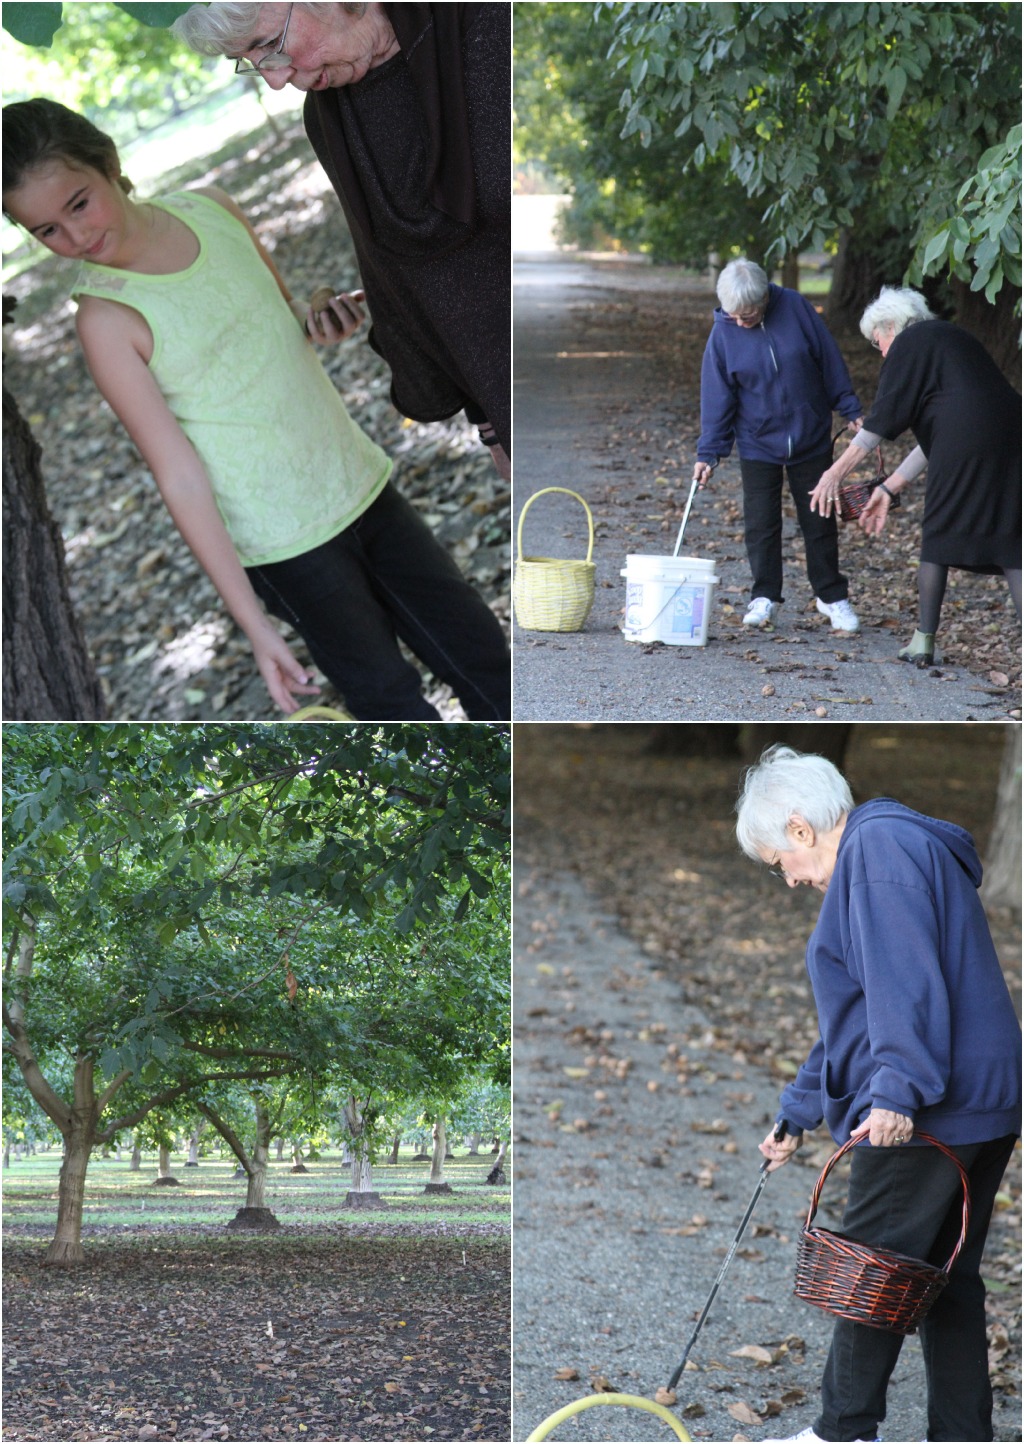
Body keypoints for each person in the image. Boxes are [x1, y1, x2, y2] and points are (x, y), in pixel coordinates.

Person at [2, 98, 510, 722]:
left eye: (78, 203)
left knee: (483, 657)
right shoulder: (106, 319)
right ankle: (460, 817)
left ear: (107, 163)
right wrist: (254, 625)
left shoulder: (214, 208)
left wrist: (319, 313)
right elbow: (178, 475)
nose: (75, 237)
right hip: (283, 545)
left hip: (356, 480)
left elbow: (284, 312)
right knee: (389, 704)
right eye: (46, 230)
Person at [735, 744, 1021, 1444]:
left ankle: (842, 1432)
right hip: (979, 1099)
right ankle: (961, 1435)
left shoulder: (878, 850)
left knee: (871, 1266)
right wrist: (798, 1111)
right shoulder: (886, 845)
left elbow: (905, 986)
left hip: (933, 1110)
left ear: (800, 829)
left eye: (781, 863)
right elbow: (860, 1012)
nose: (790, 881)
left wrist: (897, 1092)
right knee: (944, 1282)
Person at [172, 3, 511, 482]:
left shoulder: (492, 20)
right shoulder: (331, 122)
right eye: (250, 62)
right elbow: (414, 284)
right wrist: (492, 425)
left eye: (269, 46)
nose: (274, 80)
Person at [810, 286, 1022, 665]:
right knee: (1011, 542)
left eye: (878, 343)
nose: (882, 353)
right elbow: (942, 433)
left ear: (891, 326)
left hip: (969, 437)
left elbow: (881, 421)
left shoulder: (909, 343)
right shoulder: (951, 337)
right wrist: (889, 488)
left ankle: (923, 640)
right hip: (1012, 430)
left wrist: (834, 473)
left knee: (938, 535)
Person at [693, 258, 863, 633]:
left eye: (748, 314)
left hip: (810, 433)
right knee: (761, 522)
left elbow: (828, 359)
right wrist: (709, 452)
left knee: (819, 518)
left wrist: (849, 406)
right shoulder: (723, 333)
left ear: (766, 298)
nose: (740, 322)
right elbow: (717, 398)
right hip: (757, 441)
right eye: (733, 315)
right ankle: (765, 595)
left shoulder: (796, 308)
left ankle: (831, 596)